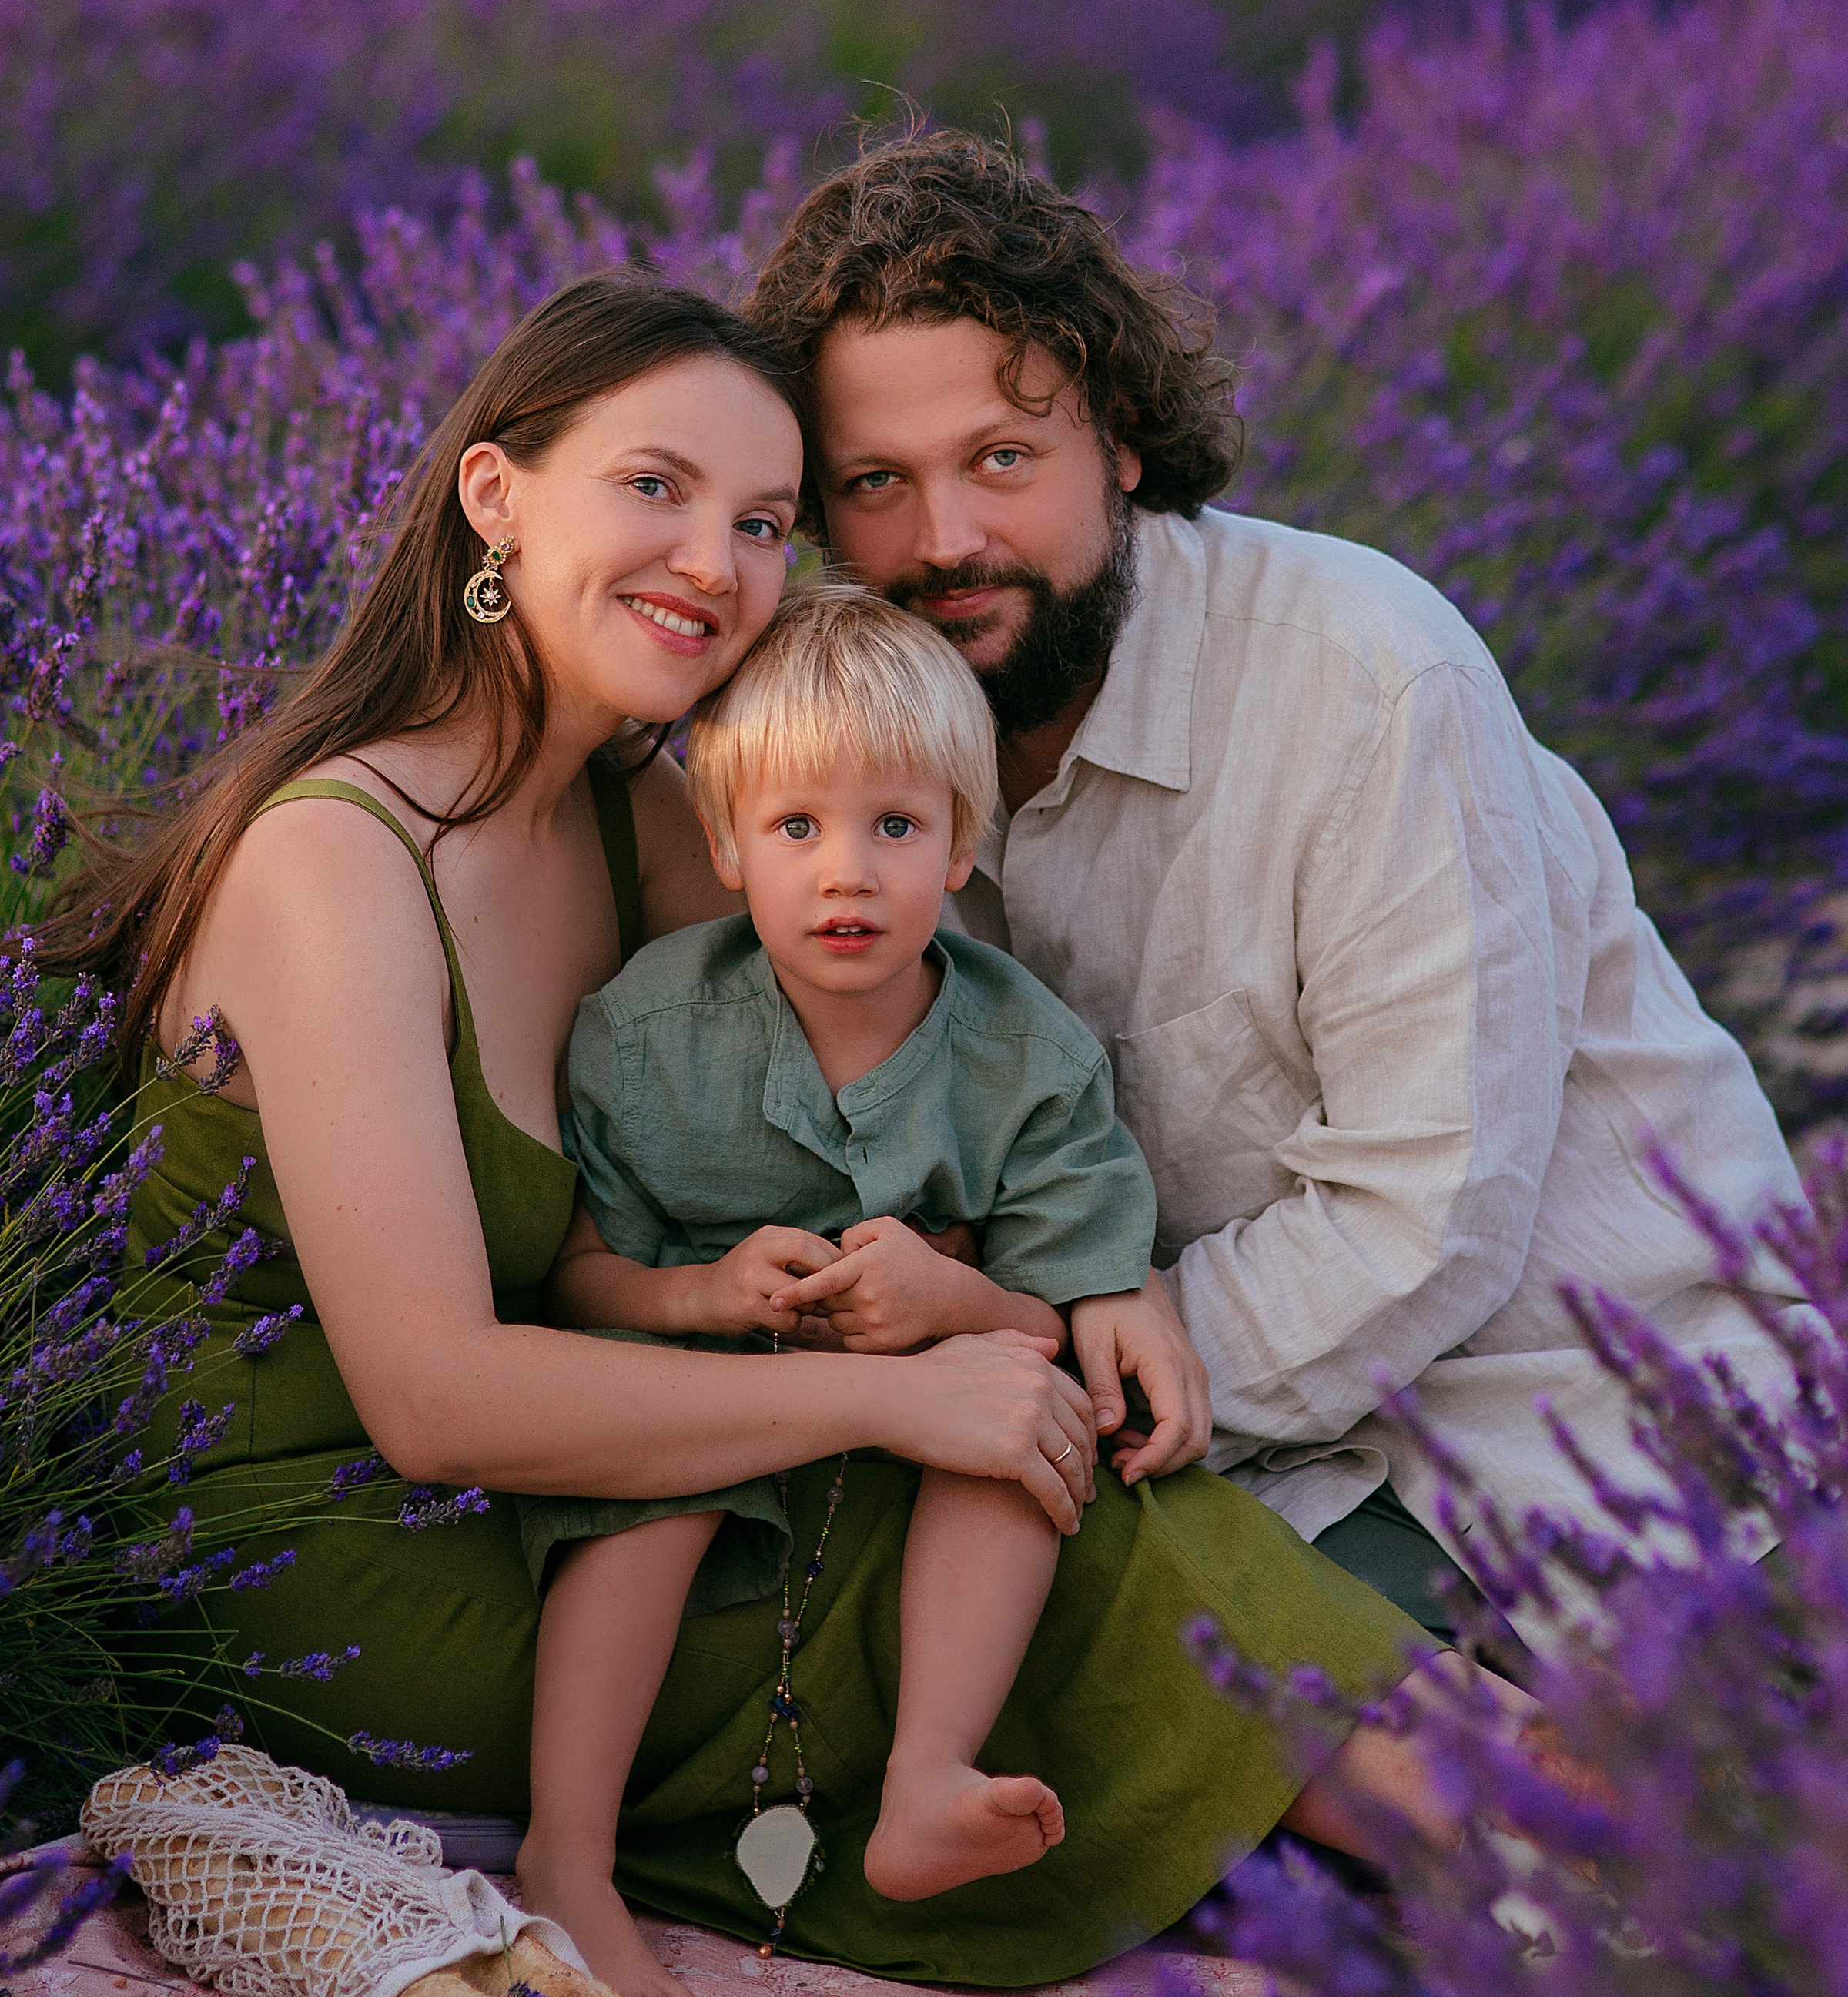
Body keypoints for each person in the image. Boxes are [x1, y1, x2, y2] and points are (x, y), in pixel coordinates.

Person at [35, 269, 1465, 1997]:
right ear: (495, 496)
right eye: (653, 487)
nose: (712, 562)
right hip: (329, 1564)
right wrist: (888, 1398)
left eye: (768, 520)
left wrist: (1062, 1287)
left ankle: (1521, 1842)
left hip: (569, 1478)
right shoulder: (340, 859)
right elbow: (430, 1398)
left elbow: (923, 1051)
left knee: (1028, 1456)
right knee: (1012, 1507)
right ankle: (1569, 1842)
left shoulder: (639, 823)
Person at [745, 131, 1804, 1650]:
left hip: (1580, 1442)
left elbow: (1420, 1214)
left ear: (1114, 436)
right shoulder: (847, 751)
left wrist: (1036, 1347)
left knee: (1188, 1763)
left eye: (998, 458)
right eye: (874, 483)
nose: (946, 540)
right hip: (1233, 1449)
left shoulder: (1365, 679)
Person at [524, 585, 1163, 1995]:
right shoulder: (645, 1036)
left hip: (930, 1401)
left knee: (1023, 1429)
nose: (847, 874)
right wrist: (698, 1298)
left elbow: (1061, 1301)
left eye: (895, 827)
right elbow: (581, 1281)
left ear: (962, 846)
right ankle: (564, 1850)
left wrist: (961, 1313)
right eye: (797, 828)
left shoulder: (1028, 1054)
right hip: (713, 1396)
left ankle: (930, 1778)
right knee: (647, 1479)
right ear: (726, 845)